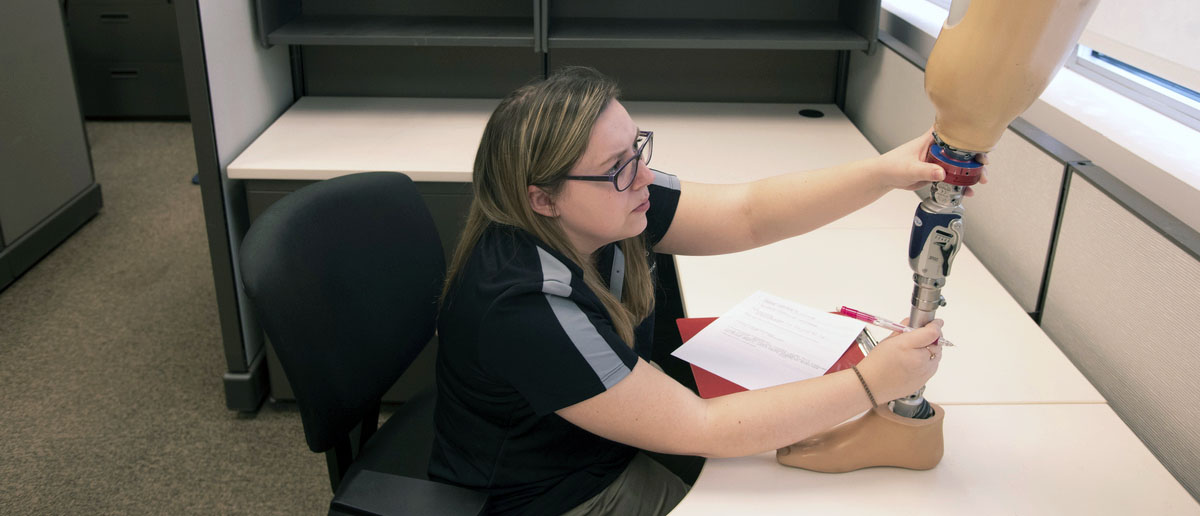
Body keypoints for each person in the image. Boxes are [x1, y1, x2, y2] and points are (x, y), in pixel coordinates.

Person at [429, 67, 977, 516]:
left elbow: (747, 216)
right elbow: (701, 426)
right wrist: (871, 382)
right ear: (542, 200)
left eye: (637, 150)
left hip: (603, 444)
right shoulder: (527, 306)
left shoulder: (612, 205)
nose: (644, 176)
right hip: (557, 493)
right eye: (617, 168)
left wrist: (886, 173)